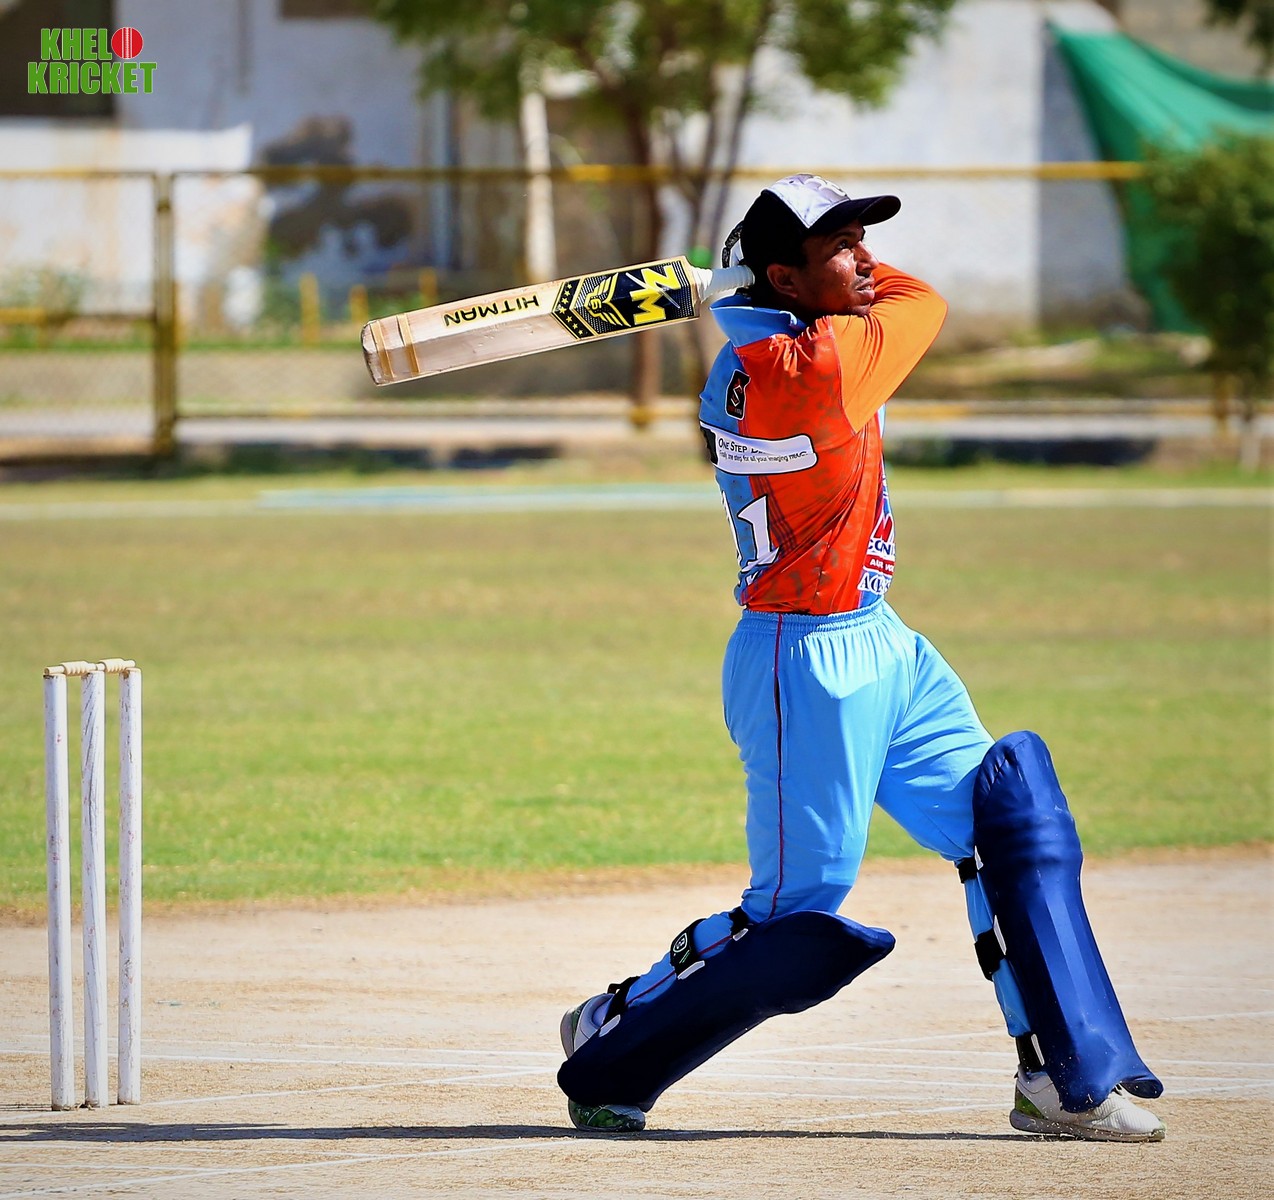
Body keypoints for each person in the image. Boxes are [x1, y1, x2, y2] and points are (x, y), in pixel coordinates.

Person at [556, 174, 1166, 1142]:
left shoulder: (785, 344)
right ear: (784, 278)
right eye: (839, 246)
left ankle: (1061, 1077)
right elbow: (924, 300)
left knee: (1010, 818)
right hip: (802, 663)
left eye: (860, 238)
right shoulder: (818, 366)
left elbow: (878, 292)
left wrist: (770, 284)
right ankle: (614, 1034)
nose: (866, 260)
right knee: (795, 915)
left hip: (881, 640)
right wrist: (770, 290)